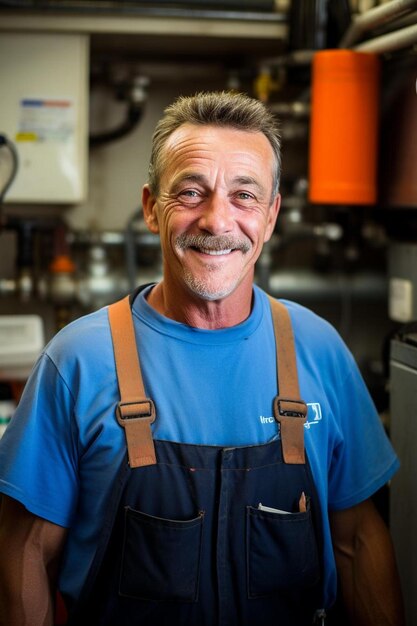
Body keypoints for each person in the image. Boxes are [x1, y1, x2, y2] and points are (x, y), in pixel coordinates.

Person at [0, 91, 404, 626]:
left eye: (244, 196)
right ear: (150, 207)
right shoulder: (77, 361)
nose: (217, 220)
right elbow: (24, 550)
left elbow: (357, 541)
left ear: (272, 213)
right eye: (191, 192)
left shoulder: (319, 347)